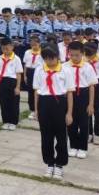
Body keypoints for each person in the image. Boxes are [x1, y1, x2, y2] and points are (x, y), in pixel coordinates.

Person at [33, 47, 74, 180]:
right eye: (46, 59)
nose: (49, 61)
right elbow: (37, 91)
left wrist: (69, 113)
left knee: (61, 136)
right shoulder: (40, 70)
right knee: (46, 136)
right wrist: (36, 110)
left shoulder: (66, 70)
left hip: (59, 103)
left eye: (52, 58)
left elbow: (69, 92)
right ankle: (50, 162)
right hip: (44, 102)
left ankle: (60, 164)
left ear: (57, 57)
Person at [64, 41, 97, 159]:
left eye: (77, 55)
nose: (74, 57)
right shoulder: (65, 66)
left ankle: (82, 148)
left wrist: (91, 104)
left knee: (83, 123)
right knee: (70, 122)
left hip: (83, 95)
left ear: (82, 53)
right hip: (69, 95)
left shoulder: (87, 67)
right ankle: (73, 145)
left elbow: (91, 86)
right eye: (71, 55)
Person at [84, 42, 99, 145]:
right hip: (87, 86)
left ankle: (98, 134)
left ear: (96, 51)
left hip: (98, 86)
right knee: (87, 111)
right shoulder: (84, 60)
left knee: (97, 112)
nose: (89, 57)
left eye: (91, 54)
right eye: (87, 55)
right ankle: (89, 133)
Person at [0, 37, 23, 130]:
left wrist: (18, 87)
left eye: (7, 48)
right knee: (4, 102)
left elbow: (18, 74)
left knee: (14, 103)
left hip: (13, 82)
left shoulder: (16, 59)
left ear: (12, 47)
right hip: (2, 81)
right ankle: (6, 121)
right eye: (3, 48)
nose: (5, 50)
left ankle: (13, 122)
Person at [23, 35, 44, 120]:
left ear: (39, 44)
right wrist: (24, 75)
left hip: (38, 72)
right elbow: (25, 64)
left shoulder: (42, 53)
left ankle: (39, 109)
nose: (33, 46)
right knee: (30, 91)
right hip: (30, 72)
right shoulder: (27, 52)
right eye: (32, 45)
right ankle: (32, 109)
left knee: (38, 90)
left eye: (35, 44)